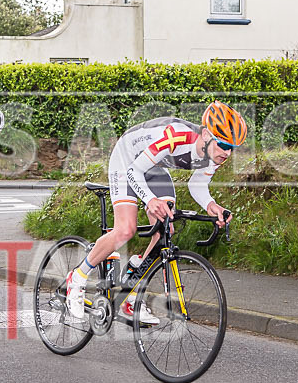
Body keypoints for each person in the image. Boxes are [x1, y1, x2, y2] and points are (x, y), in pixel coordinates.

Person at [64, 100, 247, 323]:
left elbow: (197, 185)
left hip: (154, 167)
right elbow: (134, 171)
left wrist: (211, 206)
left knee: (165, 229)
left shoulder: (214, 154)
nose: (228, 153)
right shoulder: (176, 137)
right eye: (224, 145)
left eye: (232, 148)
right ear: (207, 134)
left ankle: (131, 295)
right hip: (127, 161)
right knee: (125, 229)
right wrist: (150, 200)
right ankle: (78, 277)